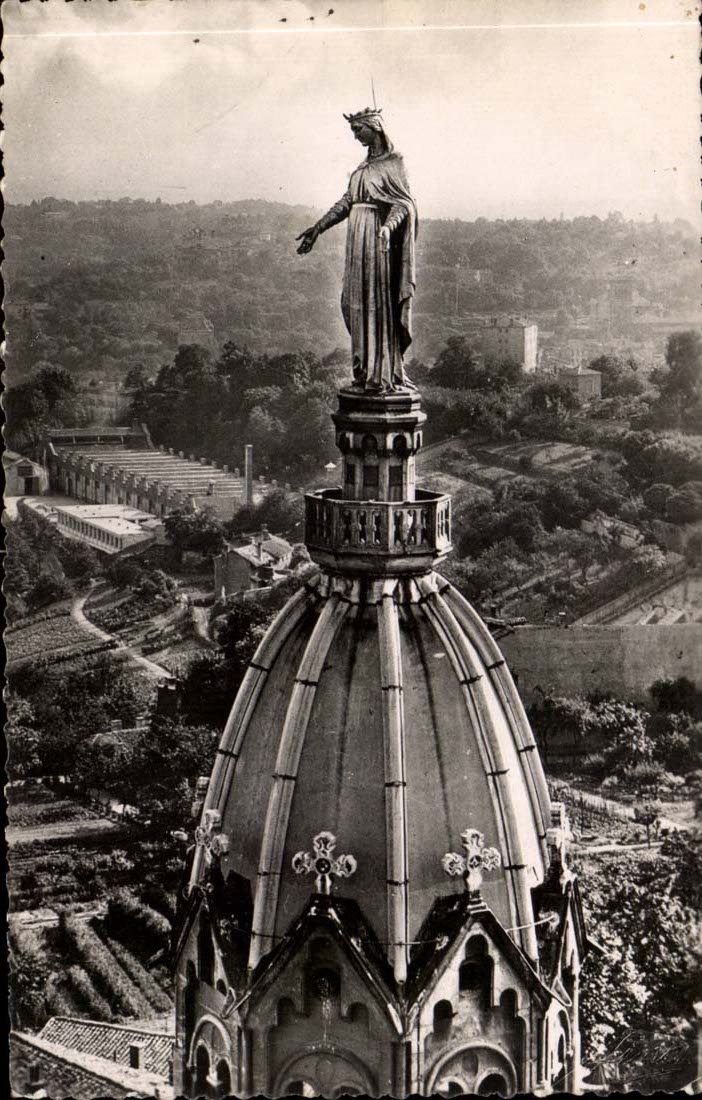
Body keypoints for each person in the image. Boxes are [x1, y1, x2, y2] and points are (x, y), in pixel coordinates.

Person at [296, 107, 417, 391]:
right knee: (356, 301)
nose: (355, 137)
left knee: (378, 302)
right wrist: (318, 228)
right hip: (357, 243)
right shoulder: (361, 169)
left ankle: (383, 371)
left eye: (358, 130)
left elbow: (404, 204)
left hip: (377, 241)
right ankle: (364, 370)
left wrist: (387, 227)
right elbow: (346, 203)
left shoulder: (395, 162)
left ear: (374, 127)